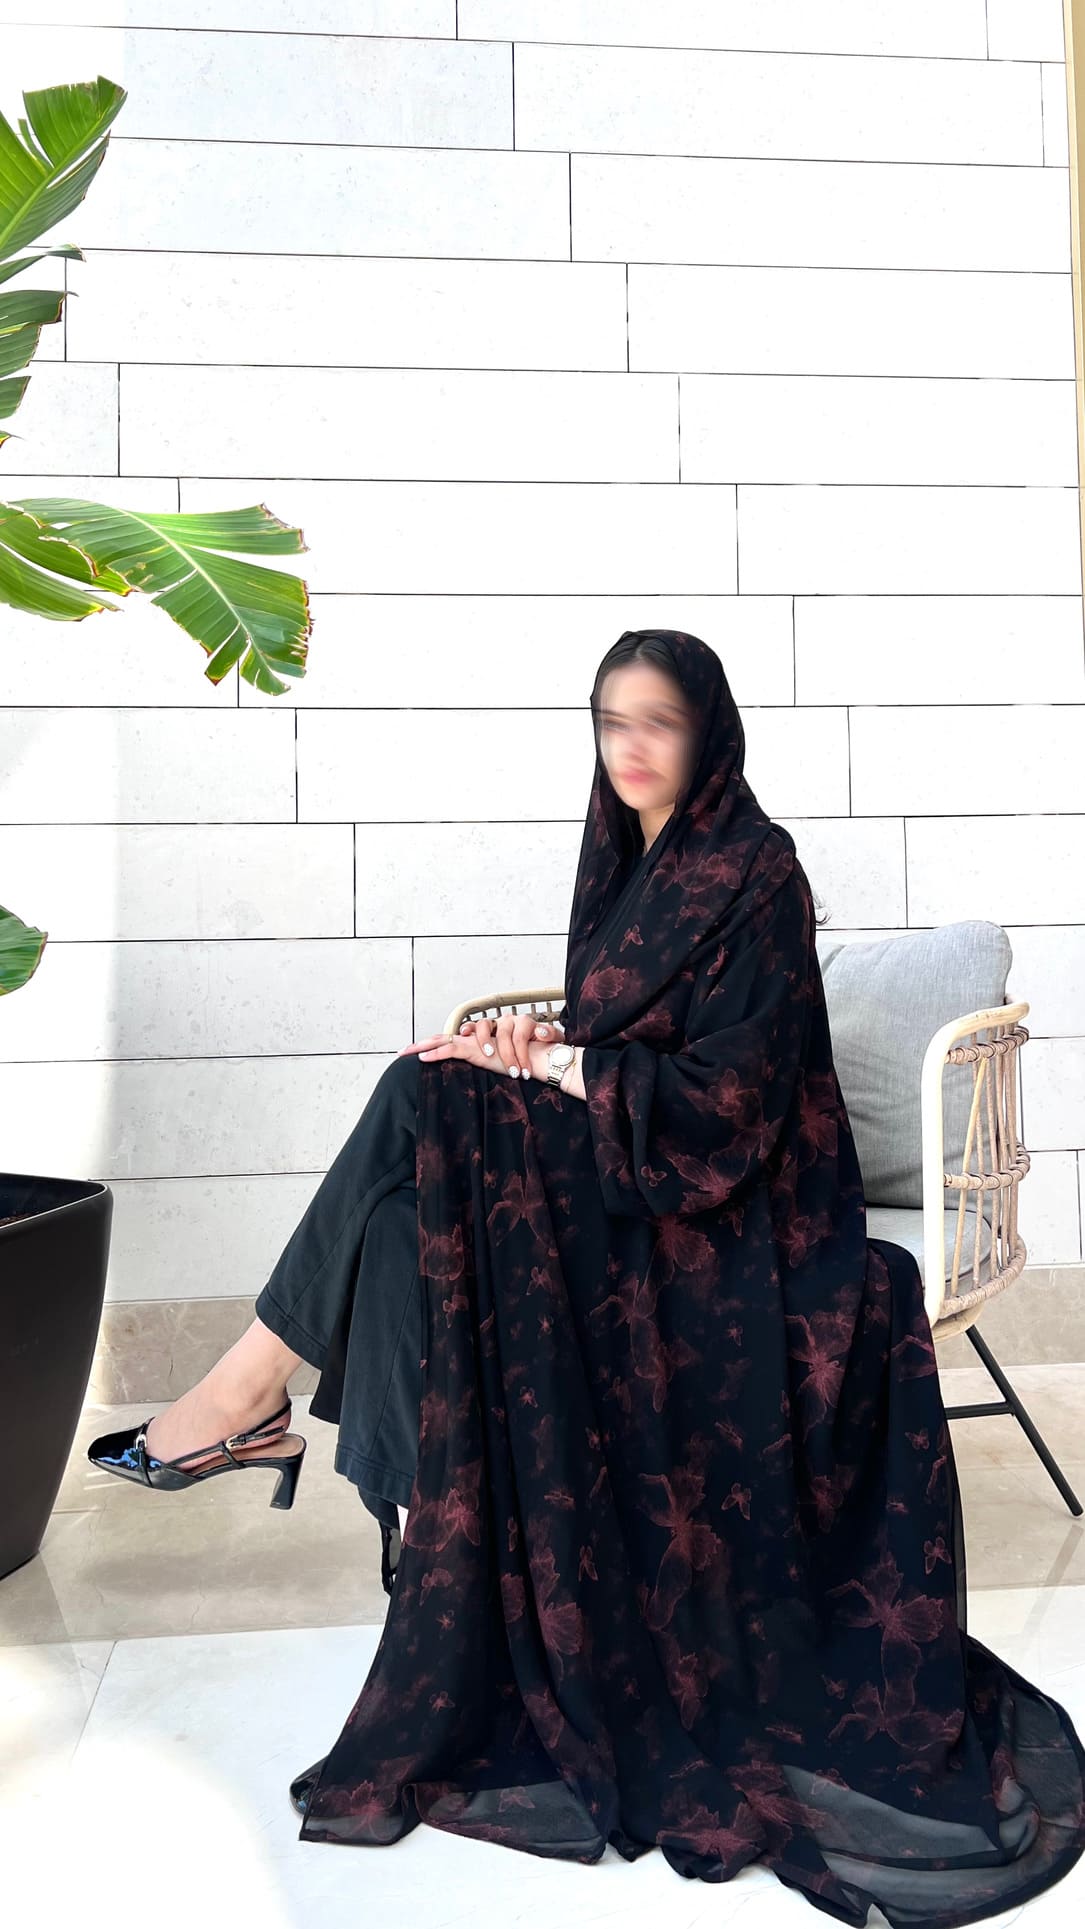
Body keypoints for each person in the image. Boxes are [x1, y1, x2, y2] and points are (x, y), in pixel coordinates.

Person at [88, 630, 1085, 1924]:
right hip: (639, 1165)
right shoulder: (624, 858)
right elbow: (632, 1037)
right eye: (612, 719)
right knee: (416, 1171)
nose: (630, 746)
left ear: (708, 729)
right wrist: (533, 1042)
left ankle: (242, 1401)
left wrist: (557, 1067)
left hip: (738, 1204)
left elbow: (732, 1096)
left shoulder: (758, 870)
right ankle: (282, 1428)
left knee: (420, 1100)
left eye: (657, 720)